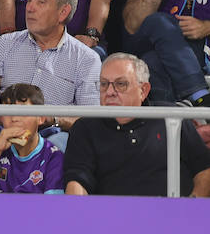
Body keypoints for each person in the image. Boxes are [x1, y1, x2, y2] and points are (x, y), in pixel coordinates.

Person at [0, 0, 100, 191]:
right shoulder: (2, 46)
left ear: (63, 12)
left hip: (53, 131)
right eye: (28, 0)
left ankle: (56, 218)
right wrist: (15, 120)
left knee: (63, 148)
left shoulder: (86, 58)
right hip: (2, 128)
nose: (29, 8)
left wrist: (49, 119)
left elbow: (89, 118)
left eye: (40, 2)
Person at [64, 52, 210, 197]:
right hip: (111, 216)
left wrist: (190, 209)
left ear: (143, 90)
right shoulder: (85, 127)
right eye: (103, 84)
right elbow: (77, 181)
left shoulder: (172, 117)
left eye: (120, 84)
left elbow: (204, 170)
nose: (109, 92)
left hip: (172, 215)